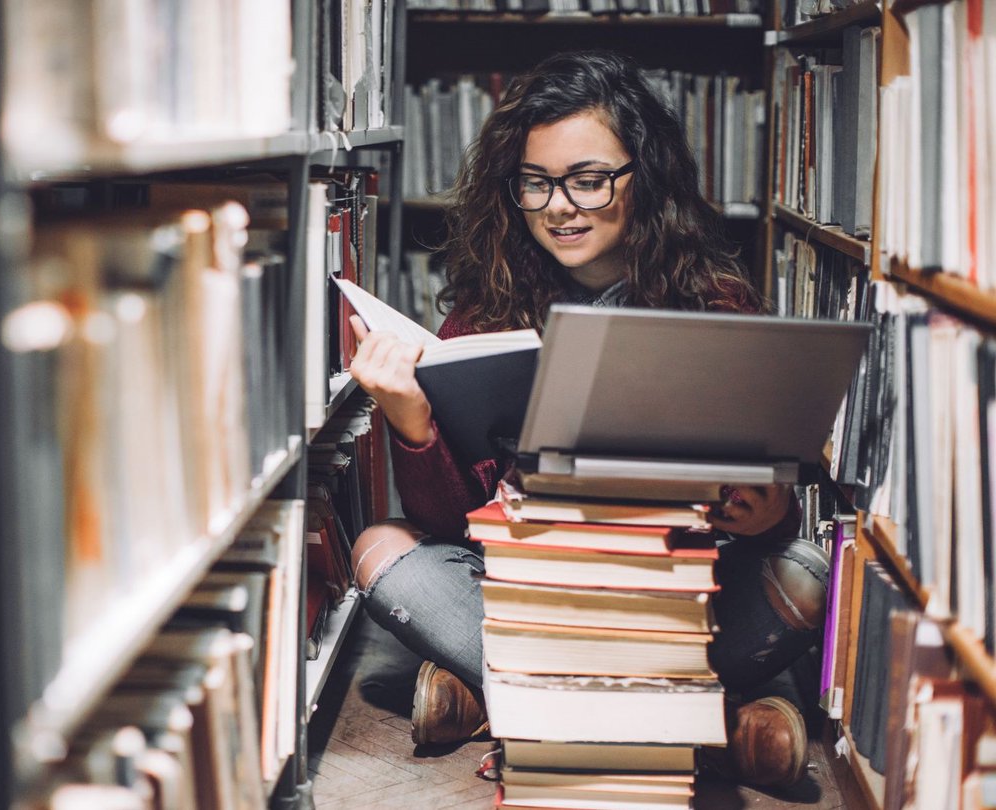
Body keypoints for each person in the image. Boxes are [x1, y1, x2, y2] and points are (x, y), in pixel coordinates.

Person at [346, 49, 830, 790]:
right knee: (382, 549)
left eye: (589, 180)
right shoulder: (487, 311)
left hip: (669, 595)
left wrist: (761, 512)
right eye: (535, 183)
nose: (559, 206)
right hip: (539, 593)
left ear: (646, 176)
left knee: (807, 575)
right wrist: (413, 422)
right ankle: (710, 722)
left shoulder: (718, 304)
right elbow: (450, 521)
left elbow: (767, 511)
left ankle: (507, 699)